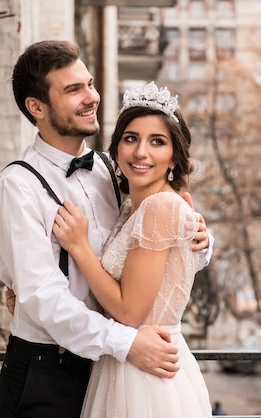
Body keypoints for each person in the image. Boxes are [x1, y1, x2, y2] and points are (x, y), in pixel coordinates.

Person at [0, 40, 213, 418]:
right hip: (49, 371)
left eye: (89, 84)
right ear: (36, 107)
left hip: (112, 366)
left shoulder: (112, 169)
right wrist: (127, 343)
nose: (92, 97)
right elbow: (45, 300)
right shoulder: (17, 187)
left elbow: (152, 247)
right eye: (74, 90)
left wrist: (202, 239)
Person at [52, 81, 211, 417]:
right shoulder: (133, 206)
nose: (141, 152)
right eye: (131, 138)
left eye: (157, 142)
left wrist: (79, 247)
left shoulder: (159, 208)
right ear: (117, 146)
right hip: (125, 361)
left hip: (147, 374)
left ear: (173, 156)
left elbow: (129, 312)